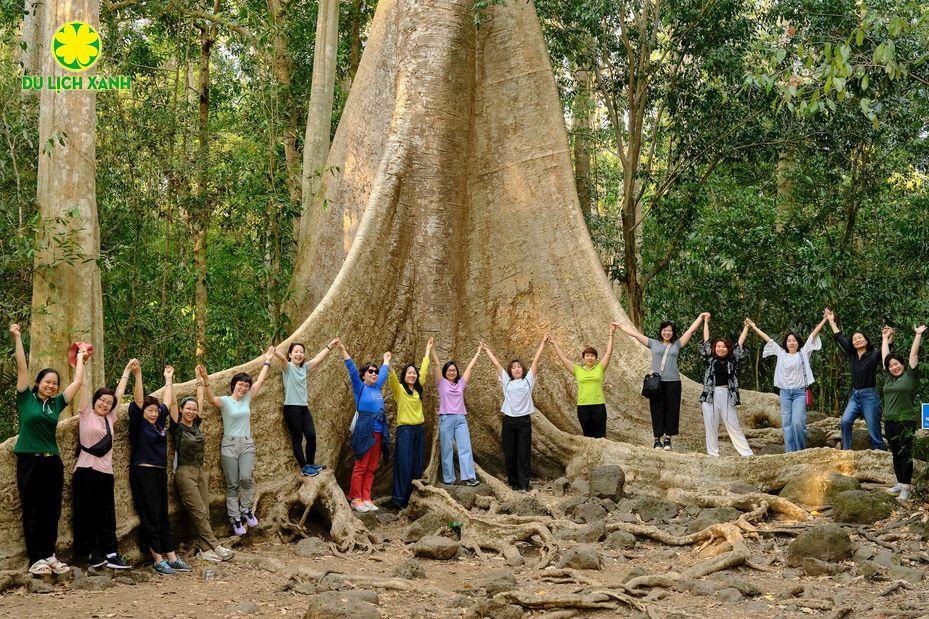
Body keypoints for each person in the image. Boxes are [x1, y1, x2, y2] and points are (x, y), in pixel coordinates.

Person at [10, 323, 84, 575]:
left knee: (51, 510)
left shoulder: (56, 405)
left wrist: (81, 357)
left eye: (55, 383)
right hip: (29, 460)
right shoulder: (26, 399)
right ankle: (36, 560)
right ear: (38, 383)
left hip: (52, 461)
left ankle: (50, 555)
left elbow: (78, 382)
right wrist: (18, 337)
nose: (51, 386)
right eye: (47, 382)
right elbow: (22, 367)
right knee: (32, 509)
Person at [201, 347, 274, 535]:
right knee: (232, 483)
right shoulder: (225, 401)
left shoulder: (247, 399)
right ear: (234, 385)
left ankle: (246, 510)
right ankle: (234, 519)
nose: (244, 387)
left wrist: (267, 360)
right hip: (229, 445)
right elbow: (210, 399)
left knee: (246, 479)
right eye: (240, 384)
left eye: (246, 385)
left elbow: (261, 380)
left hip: (247, 444)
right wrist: (206, 380)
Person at [72, 358, 135, 570]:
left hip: (105, 473)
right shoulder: (85, 413)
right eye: (101, 400)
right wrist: (82, 360)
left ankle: (111, 552)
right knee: (86, 514)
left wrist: (127, 370)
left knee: (107, 515)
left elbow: (119, 393)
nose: (105, 404)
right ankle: (91, 554)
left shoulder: (110, 418)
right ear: (94, 400)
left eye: (108, 402)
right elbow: (81, 383)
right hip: (85, 471)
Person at [128, 364, 190, 575]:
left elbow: (166, 401)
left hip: (159, 473)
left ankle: (171, 556)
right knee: (150, 515)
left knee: (163, 515)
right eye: (149, 411)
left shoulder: (159, 422)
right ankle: (157, 558)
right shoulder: (138, 422)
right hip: (143, 473)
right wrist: (138, 374)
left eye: (155, 411)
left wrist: (168, 379)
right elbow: (138, 400)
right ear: (142, 412)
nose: (154, 413)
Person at [168, 365, 235, 563]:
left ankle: (205, 550)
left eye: (193, 409)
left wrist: (200, 377)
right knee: (198, 511)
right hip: (184, 473)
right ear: (181, 410)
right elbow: (171, 402)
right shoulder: (177, 427)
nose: (191, 411)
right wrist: (169, 380)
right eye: (187, 408)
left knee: (204, 512)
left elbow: (200, 399)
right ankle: (215, 545)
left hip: (200, 472)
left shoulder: (196, 424)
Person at [619, 315, 705, 450]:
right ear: (661, 331)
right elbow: (635, 335)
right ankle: (656, 439)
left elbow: (690, 331)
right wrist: (620, 326)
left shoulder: (677, 344)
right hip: (656, 383)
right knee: (656, 410)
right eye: (664, 330)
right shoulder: (653, 343)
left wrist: (701, 317)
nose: (667, 332)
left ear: (673, 332)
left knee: (672, 410)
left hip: (673, 382)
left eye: (670, 330)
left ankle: (667, 439)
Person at [748, 314, 828, 452]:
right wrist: (753, 326)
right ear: (785, 342)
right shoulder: (781, 353)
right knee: (786, 424)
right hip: (784, 393)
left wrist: (825, 319)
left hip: (799, 392)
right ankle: (790, 452)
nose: (791, 342)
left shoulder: (804, 353)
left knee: (798, 423)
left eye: (794, 340)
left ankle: (800, 450)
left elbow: (813, 335)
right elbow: (767, 338)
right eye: (789, 340)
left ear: (798, 342)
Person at [482, 336, 546, 491]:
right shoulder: (507, 381)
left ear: (522, 370)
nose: (517, 369)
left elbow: (536, 362)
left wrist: (543, 343)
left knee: (523, 453)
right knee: (510, 452)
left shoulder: (528, 381)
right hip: (509, 422)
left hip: (524, 422)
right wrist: (486, 349)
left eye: (519, 367)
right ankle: (513, 483)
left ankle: (524, 484)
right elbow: (496, 364)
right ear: (510, 371)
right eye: (513, 367)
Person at [272, 338, 339, 477]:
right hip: (291, 408)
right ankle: (304, 468)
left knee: (311, 435)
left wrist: (330, 345)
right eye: (296, 352)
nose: (299, 354)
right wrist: (273, 351)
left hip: (303, 408)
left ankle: (310, 463)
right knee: (297, 439)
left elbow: (317, 359)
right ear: (290, 354)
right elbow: (282, 359)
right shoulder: (288, 367)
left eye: (301, 352)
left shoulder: (303, 368)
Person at [337, 340, 391, 512]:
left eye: (375, 371)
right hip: (364, 430)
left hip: (378, 431)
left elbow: (384, 372)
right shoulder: (360, 388)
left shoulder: (377, 386)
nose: (374, 374)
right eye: (370, 371)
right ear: (363, 375)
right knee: (361, 465)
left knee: (371, 466)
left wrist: (386, 360)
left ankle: (366, 497)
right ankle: (355, 497)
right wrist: (343, 349)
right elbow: (352, 369)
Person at [547, 323, 619, 438]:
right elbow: (563, 359)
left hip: (598, 405)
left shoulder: (600, 368)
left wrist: (611, 334)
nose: (590, 357)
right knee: (588, 436)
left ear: (595, 358)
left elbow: (608, 353)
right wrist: (554, 343)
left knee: (601, 436)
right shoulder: (577, 370)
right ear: (584, 358)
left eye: (592, 355)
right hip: (583, 406)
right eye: (587, 355)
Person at [825, 308, 884, 450]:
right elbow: (839, 337)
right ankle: (846, 451)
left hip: (869, 395)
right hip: (855, 395)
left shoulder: (874, 354)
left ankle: (881, 453)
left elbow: (886, 352)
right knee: (845, 421)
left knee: (873, 428)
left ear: (866, 340)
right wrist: (831, 321)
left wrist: (888, 337)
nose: (857, 340)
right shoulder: (852, 354)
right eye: (854, 339)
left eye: (860, 337)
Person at [387, 337, 434, 509]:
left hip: (419, 430)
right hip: (405, 430)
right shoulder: (399, 389)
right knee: (404, 463)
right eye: (409, 373)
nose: (413, 375)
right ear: (404, 376)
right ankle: (399, 499)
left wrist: (428, 350)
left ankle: (413, 497)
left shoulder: (418, 389)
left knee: (417, 462)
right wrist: (388, 363)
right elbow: (391, 377)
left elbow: (425, 369)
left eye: (414, 373)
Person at [699, 316, 753, 457]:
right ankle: (713, 454)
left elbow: (740, 344)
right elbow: (706, 341)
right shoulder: (710, 359)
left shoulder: (732, 359)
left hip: (727, 395)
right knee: (711, 426)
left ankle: (747, 454)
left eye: (723, 346)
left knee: (733, 425)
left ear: (727, 349)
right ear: (714, 349)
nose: (720, 348)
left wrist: (746, 327)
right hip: (710, 396)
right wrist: (705, 322)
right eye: (718, 346)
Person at [881, 324, 924, 502]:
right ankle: (900, 482)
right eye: (891, 366)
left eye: (896, 364)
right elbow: (885, 357)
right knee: (895, 453)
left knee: (905, 455)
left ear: (903, 365)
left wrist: (918, 334)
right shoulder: (889, 379)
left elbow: (913, 355)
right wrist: (885, 338)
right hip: (890, 422)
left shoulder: (909, 377)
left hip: (905, 421)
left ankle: (907, 487)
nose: (894, 367)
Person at [430, 343, 482, 486]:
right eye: (449, 370)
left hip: (460, 419)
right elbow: (436, 365)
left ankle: (469, 477)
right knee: (446, 449)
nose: (451, 372)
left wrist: (478, 353)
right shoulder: (441, 383)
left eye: (454, 370)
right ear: (445, 372)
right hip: (446, 418)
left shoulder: (460, 384)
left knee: (465, 447)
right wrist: (433, 349)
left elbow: (470, 368)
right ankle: (449, 479)